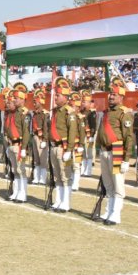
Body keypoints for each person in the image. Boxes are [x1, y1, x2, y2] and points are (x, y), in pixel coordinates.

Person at [95, 78, 134, 225]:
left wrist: (126, 160)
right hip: (105, 151)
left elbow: (128, 137)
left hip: (117, 151)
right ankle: (108, 211)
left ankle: (115, 214)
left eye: (115, 95)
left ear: (121, 97)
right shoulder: (106, 112)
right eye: (110, 94)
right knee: (108, 184)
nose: (111, 97)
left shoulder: (124, 113)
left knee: (117, 184)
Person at [48, 77, 80, 212]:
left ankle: (66, 202)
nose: (55, 97)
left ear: (65, 97)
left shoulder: (69, 112)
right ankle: (58, 200)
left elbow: (72, 131)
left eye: (58, 95)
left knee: (65, 176)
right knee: (57, 175)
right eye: (56, 95)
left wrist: (69, 150)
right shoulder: (55, 111)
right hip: (54, 146)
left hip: (63, 147)